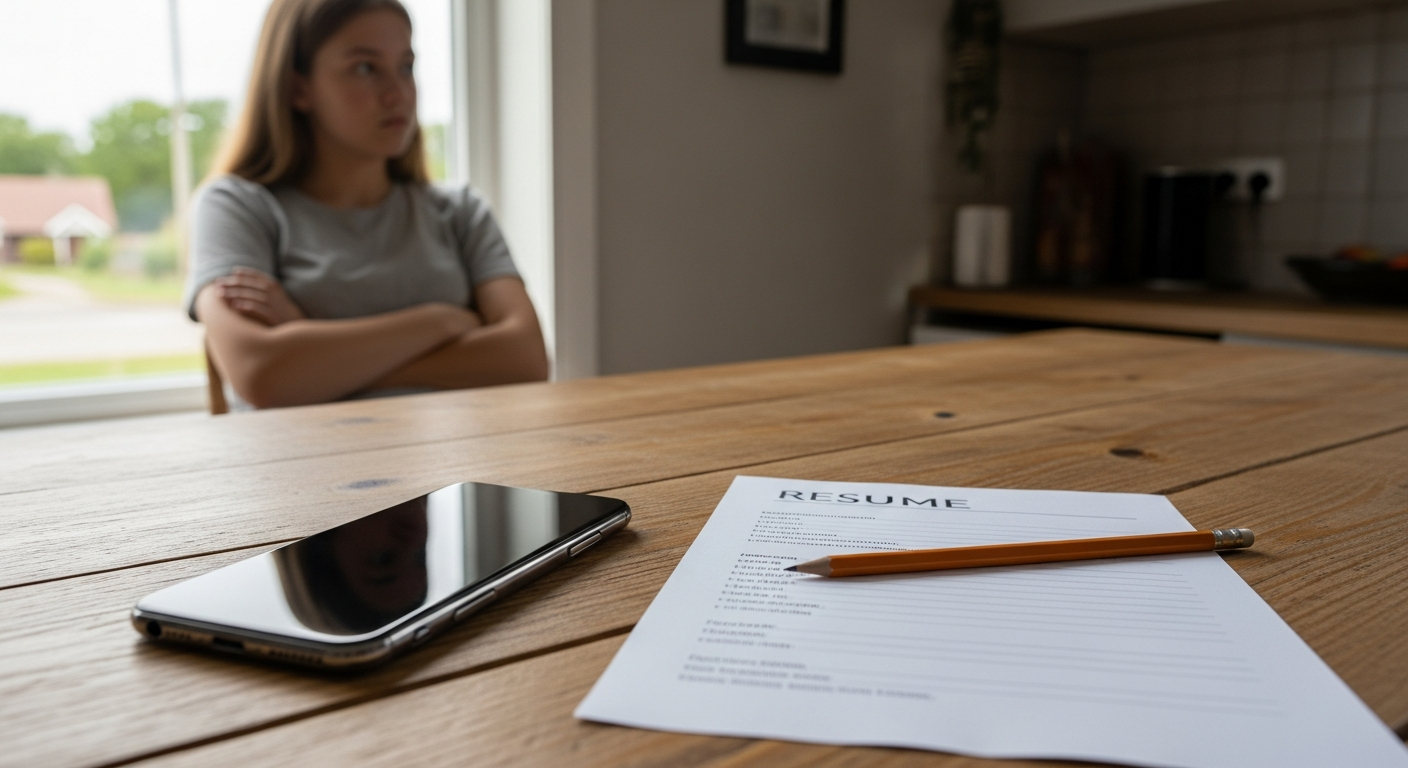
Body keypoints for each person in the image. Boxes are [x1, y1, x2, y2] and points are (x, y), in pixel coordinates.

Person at [184, 0, 547, 411]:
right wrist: (444, 321)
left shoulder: (461, 210)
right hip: (306, 470)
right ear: (297, 88)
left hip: (462, 464)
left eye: (406, 67)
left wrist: (312, 346)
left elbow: (527, 358)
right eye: (365, 68)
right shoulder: (236, 207)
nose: (397, 94)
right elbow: (262, 376)